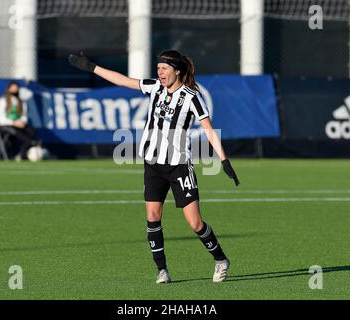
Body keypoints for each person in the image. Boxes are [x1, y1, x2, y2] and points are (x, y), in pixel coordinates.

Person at [69, 50, 240, 283]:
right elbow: (123, 80)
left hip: (179, 166)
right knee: (153, 215)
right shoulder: (154, 87)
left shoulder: (191, 97)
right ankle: (162, 270)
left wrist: (224, 160)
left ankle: (221, 260)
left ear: (176, 71)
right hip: (152, 164)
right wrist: (92, 67)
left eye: (164, 69)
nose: (159, 73)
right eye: (158, 68)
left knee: (195, 223)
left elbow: (208, 129)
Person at [0, 81, 37, 161]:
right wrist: (13, 123)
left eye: (16, 89)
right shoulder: (2, 101)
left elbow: (24, 115)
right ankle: (20, 155)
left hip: (18, 124)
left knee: (32, 132)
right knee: (25, 138)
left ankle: (24, 153)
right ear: (8, 89)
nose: (14, 90)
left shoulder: (20, 101)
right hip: (6, 125)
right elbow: (1, 119)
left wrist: (22, 122)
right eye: (13, 88)